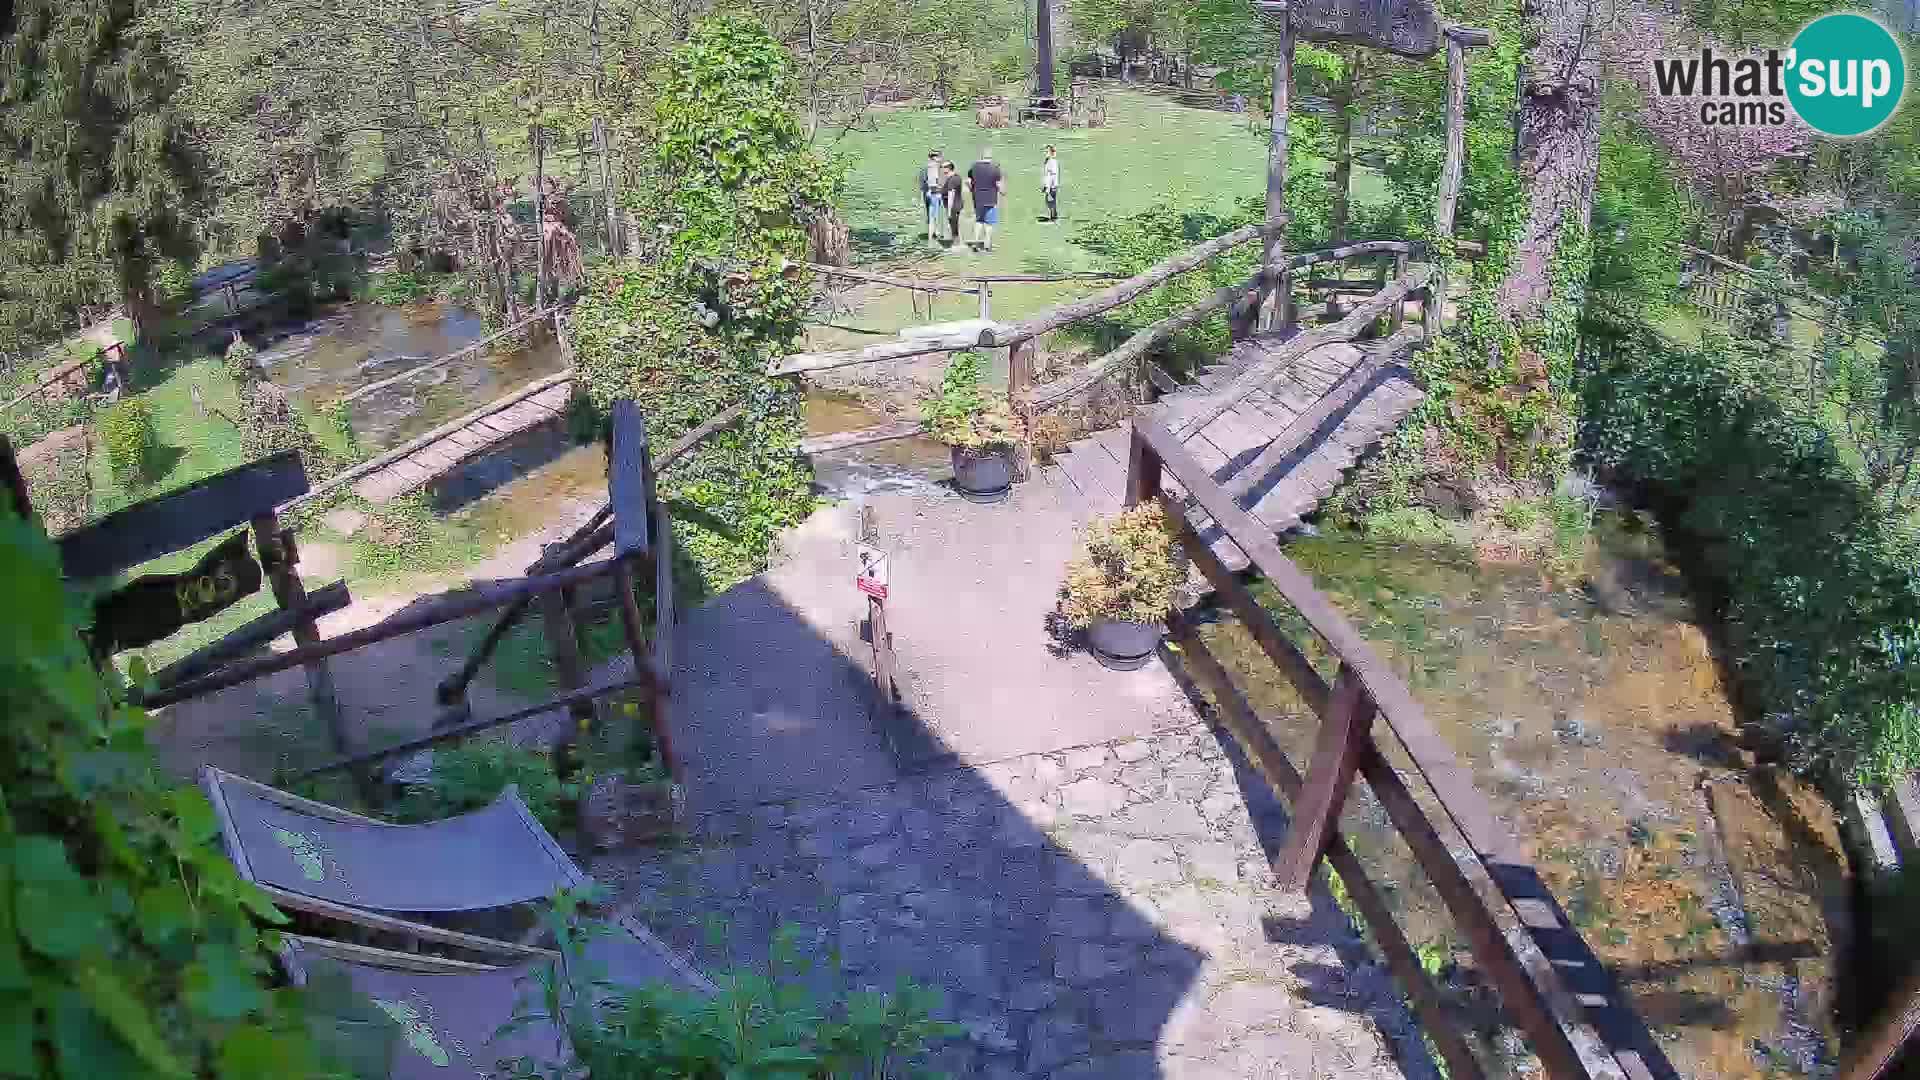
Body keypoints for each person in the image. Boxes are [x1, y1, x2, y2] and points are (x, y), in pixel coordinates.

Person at [966, 148, 1005, 251]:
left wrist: (972, 190)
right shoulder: (995, 168)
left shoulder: (974, 167)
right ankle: (987, 245)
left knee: (979, 221)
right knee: (989, 223)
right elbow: (999, 184)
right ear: (990, 156)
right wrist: (1003, 192)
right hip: (991, 199)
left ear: (981, 156)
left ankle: (975, 243)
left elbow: (968, 181)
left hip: (977, 199)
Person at [919, 151, 944, 242]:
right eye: (940, 157)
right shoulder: (934, 167)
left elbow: (922, 184)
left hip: (926, 194)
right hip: (934, 193)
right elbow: (934, 182)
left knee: (930, 214)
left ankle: (931, 233)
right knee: (935, 214)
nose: (941, 159)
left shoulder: (924, 169)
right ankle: (935, 233)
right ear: (935, 157)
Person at [939, 161, 965, 247]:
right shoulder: (955, 177)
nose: (941, 169)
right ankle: (958, 243)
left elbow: (951, 195)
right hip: (956, 205)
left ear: (948, 168)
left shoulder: (952, 179)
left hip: (953, 206)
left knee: (953, 226)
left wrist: (949, 211)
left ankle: (957, 245)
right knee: (954, 225)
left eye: (942, 167)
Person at [1042, 145, 1060, 222]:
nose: (1046, 153)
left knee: (1050, 200)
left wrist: (1048, 186)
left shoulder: (1051, 161)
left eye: (1047, 152)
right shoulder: (1049, 161)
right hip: (1051, 184)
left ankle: (1053, 216)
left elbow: (1052, 174)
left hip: (1051, 184)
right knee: (1050, 200)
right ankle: (1053, 215)